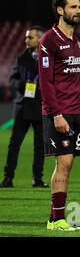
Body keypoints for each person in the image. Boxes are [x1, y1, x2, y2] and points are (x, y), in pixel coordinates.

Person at [38, 0, 80, 231]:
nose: (78, 10)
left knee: (69, 163)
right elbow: (45, 82)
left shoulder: (77, 40)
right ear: (60, 10)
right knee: (63, 163)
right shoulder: (48, 40)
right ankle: (57, 219)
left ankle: (56, 218)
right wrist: (56, 114)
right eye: (72, 7)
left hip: (77, 110)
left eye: (79, 6)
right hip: (59, 111)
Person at [0, 26, 49, 189]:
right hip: (23, 106)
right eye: (26, 37)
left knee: (40, 146)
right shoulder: (21, 58)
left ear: (40, 39)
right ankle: (8, 178)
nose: (26, 40)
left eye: (30, 37)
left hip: (41, 106)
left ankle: (37, 178)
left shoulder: (48, 58)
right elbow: (13, 79)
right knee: (14, 144)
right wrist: (20, 85)